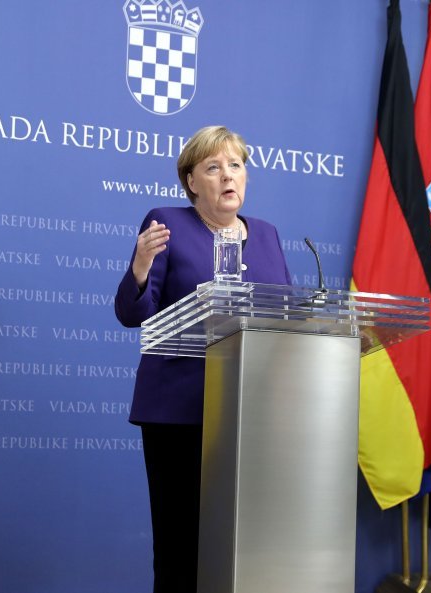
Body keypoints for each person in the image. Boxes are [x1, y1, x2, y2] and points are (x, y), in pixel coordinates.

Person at [115, 125, 290, 592]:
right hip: (179, 413)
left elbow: (285, 320)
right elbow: (134, 315)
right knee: (180, 548)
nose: (227, 176)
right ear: (192, 181)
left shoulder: (268, 235)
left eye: (235, 165)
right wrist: (139, 269)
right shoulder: (166, 223)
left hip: (248, 417)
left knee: (241, 547)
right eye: (213, 167)